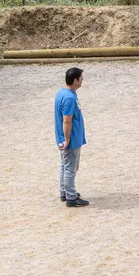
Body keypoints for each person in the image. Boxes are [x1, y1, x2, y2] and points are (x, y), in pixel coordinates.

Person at [54, 67, 88, 207]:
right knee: (70, 167)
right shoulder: (69, 98)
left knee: (64, 165)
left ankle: (65, 191)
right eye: (81, 78)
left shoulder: (62, 93)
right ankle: (71, 197)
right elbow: (67, 120)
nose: (82, 81)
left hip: (66, 137)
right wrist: (67, 139)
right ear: (75, 81)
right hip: (71, 139)